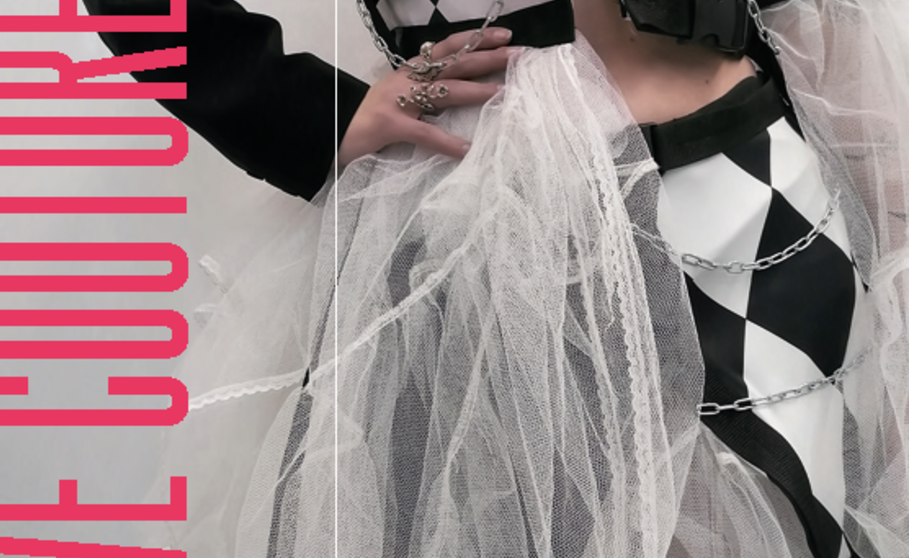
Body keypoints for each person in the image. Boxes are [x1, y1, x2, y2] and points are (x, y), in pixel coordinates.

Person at [83, 1, 909, 556]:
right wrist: (302, 111)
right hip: (493, 230)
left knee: (801, 514)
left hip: (760, 188)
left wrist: (882, 199)